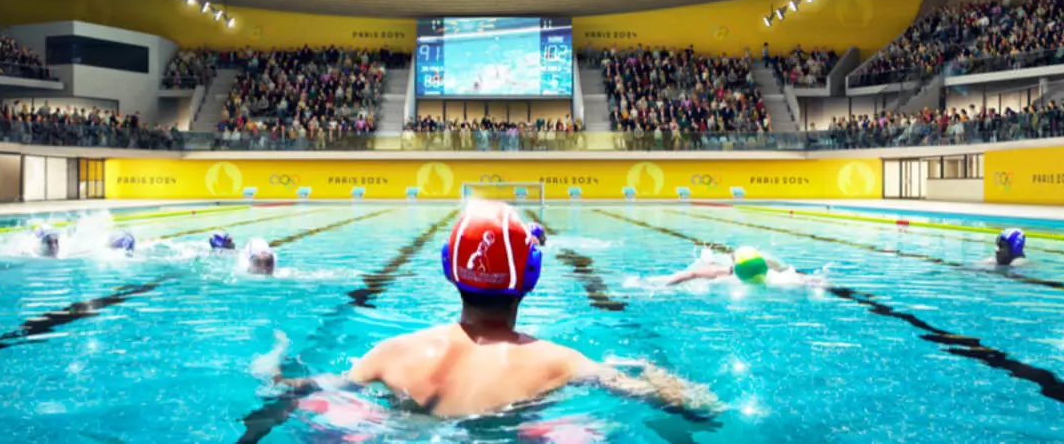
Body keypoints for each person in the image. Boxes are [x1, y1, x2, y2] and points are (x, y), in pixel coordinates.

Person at [273, 201, 712, 419]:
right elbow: (695, 405)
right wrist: (654, 373)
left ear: (449, 268)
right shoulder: (559, 362)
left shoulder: (389, 353)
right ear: (531, 277)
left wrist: (271, 362)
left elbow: (294, 389)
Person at [661, 245, 793, 286]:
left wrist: (665, 286)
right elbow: (802, 278)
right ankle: (708, 259)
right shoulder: (777, 277)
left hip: (722, 271)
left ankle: (708, 259)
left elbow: (691, 274)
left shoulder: (726, 273)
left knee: (710, 266)